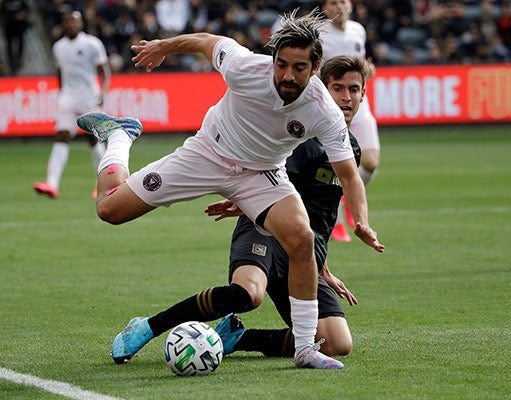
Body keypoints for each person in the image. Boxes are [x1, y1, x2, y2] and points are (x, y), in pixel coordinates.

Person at [77, 10, 384, 370]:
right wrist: (165, 46)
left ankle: (304, 349)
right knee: (110, 209)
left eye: (298, 68)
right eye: (281, 64)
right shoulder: (245, 68)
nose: (286, 75)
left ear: (314, 68)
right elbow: (208, 42)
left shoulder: (324, 111)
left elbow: (349, 175)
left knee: (301, 237)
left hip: (260, 174)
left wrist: (361, 221)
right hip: (209, 152)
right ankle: (118, 136)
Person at [319, 0, 380, 242]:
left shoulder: (358, 30)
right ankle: (334, 220)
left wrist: (367, 71)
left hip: (357, 104)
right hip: (330, 105)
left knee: (371, 162)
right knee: (329, 165)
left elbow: (361, 64)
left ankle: (347, 196)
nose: (339, 7)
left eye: (343, 1)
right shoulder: (319, 33)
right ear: (325, 9)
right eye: (333, 2)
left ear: (351, 5)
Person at [33, 11, 110, 199]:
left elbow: (104, 70)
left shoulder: (92, 44)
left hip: (89, 98)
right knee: (62, 135)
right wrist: (61, 93)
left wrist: (103, 92)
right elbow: (60, 71)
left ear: (80, 24)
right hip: (68, 98)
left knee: (93, 139)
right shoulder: (58, 47)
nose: (70, 25)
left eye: (74, 22)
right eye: (67, 22)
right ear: (63, 25)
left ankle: (105, 184)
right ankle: (52, 184)